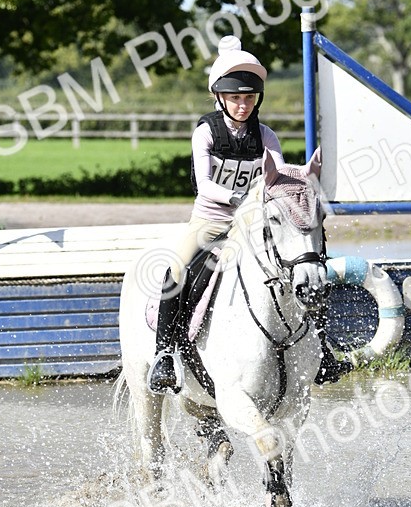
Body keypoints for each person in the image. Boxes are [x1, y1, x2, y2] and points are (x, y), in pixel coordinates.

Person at [147, 35, 350, 393]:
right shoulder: (205, 132)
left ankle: (322, 347)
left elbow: (278, 178)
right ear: (220, 98)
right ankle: (164, 354)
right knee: (176, 269)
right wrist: (239, 196)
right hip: (211, 221)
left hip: (254, 225)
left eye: (249, 98)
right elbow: (205, 185)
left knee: (304, 268)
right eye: (236, 98)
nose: (242, 105)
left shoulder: (266, 136)